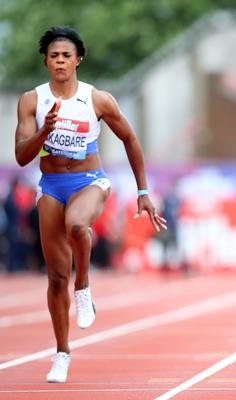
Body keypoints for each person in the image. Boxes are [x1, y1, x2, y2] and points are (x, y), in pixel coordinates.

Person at [14, 26, 167, 383]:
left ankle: (83, 286)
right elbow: (21, 156)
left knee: (77, 224)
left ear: (78, 60)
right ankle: (62, 353)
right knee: (56, 279)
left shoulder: (97, 99)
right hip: (51, 186)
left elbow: (130, 139)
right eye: (54, 56)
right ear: (45, 61)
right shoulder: (32, 101)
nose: (60, 61)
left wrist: (143, 190)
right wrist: (44, 132)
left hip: (89, 181)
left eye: (66, 56)